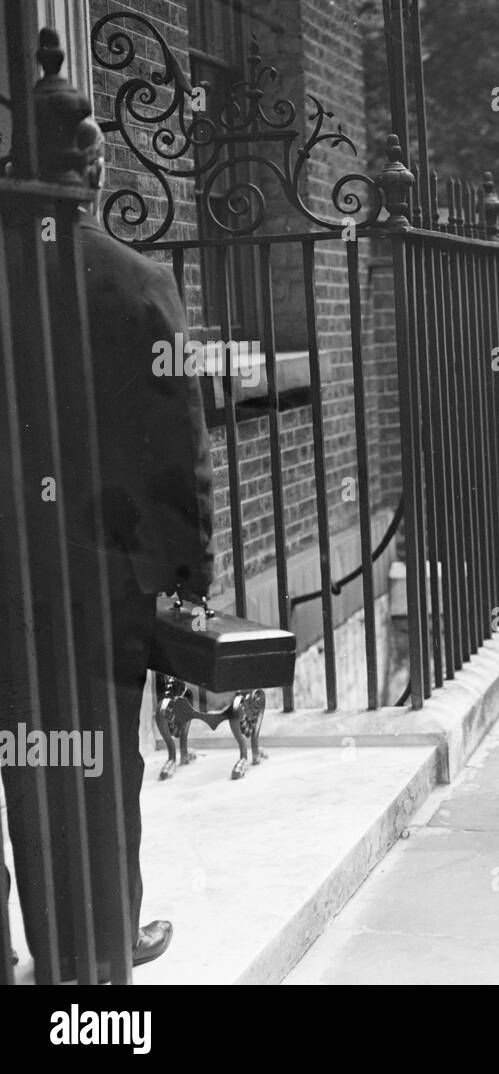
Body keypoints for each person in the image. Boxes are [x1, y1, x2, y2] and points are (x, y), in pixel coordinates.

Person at [1, 116, 215, 980]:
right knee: (94, 768)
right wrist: (188, 581)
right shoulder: (137, 282)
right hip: (99, 584)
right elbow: (178, 451)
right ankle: (93, 964)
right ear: (92, 172)